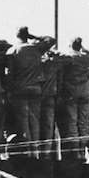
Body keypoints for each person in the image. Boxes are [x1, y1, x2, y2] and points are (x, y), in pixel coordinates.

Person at [6, 27, 55, 159]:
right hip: (35, 88)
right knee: (35, 120)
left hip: (20, 88)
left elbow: (9, 73)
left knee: (24, 121)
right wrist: (33, 36)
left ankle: (29, 152)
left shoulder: (12, 50)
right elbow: (51, 40)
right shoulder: (36, 48)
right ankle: (36, 151)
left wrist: (9, 90)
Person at [41, 49, 71, 160]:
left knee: (41, 128)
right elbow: (68, 58)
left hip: (39, 98)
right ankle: (47, 154)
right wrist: (53, 51)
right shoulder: (52, 63)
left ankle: (42, 154)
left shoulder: (39, 62)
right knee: (49, 128)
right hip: (50, 98)